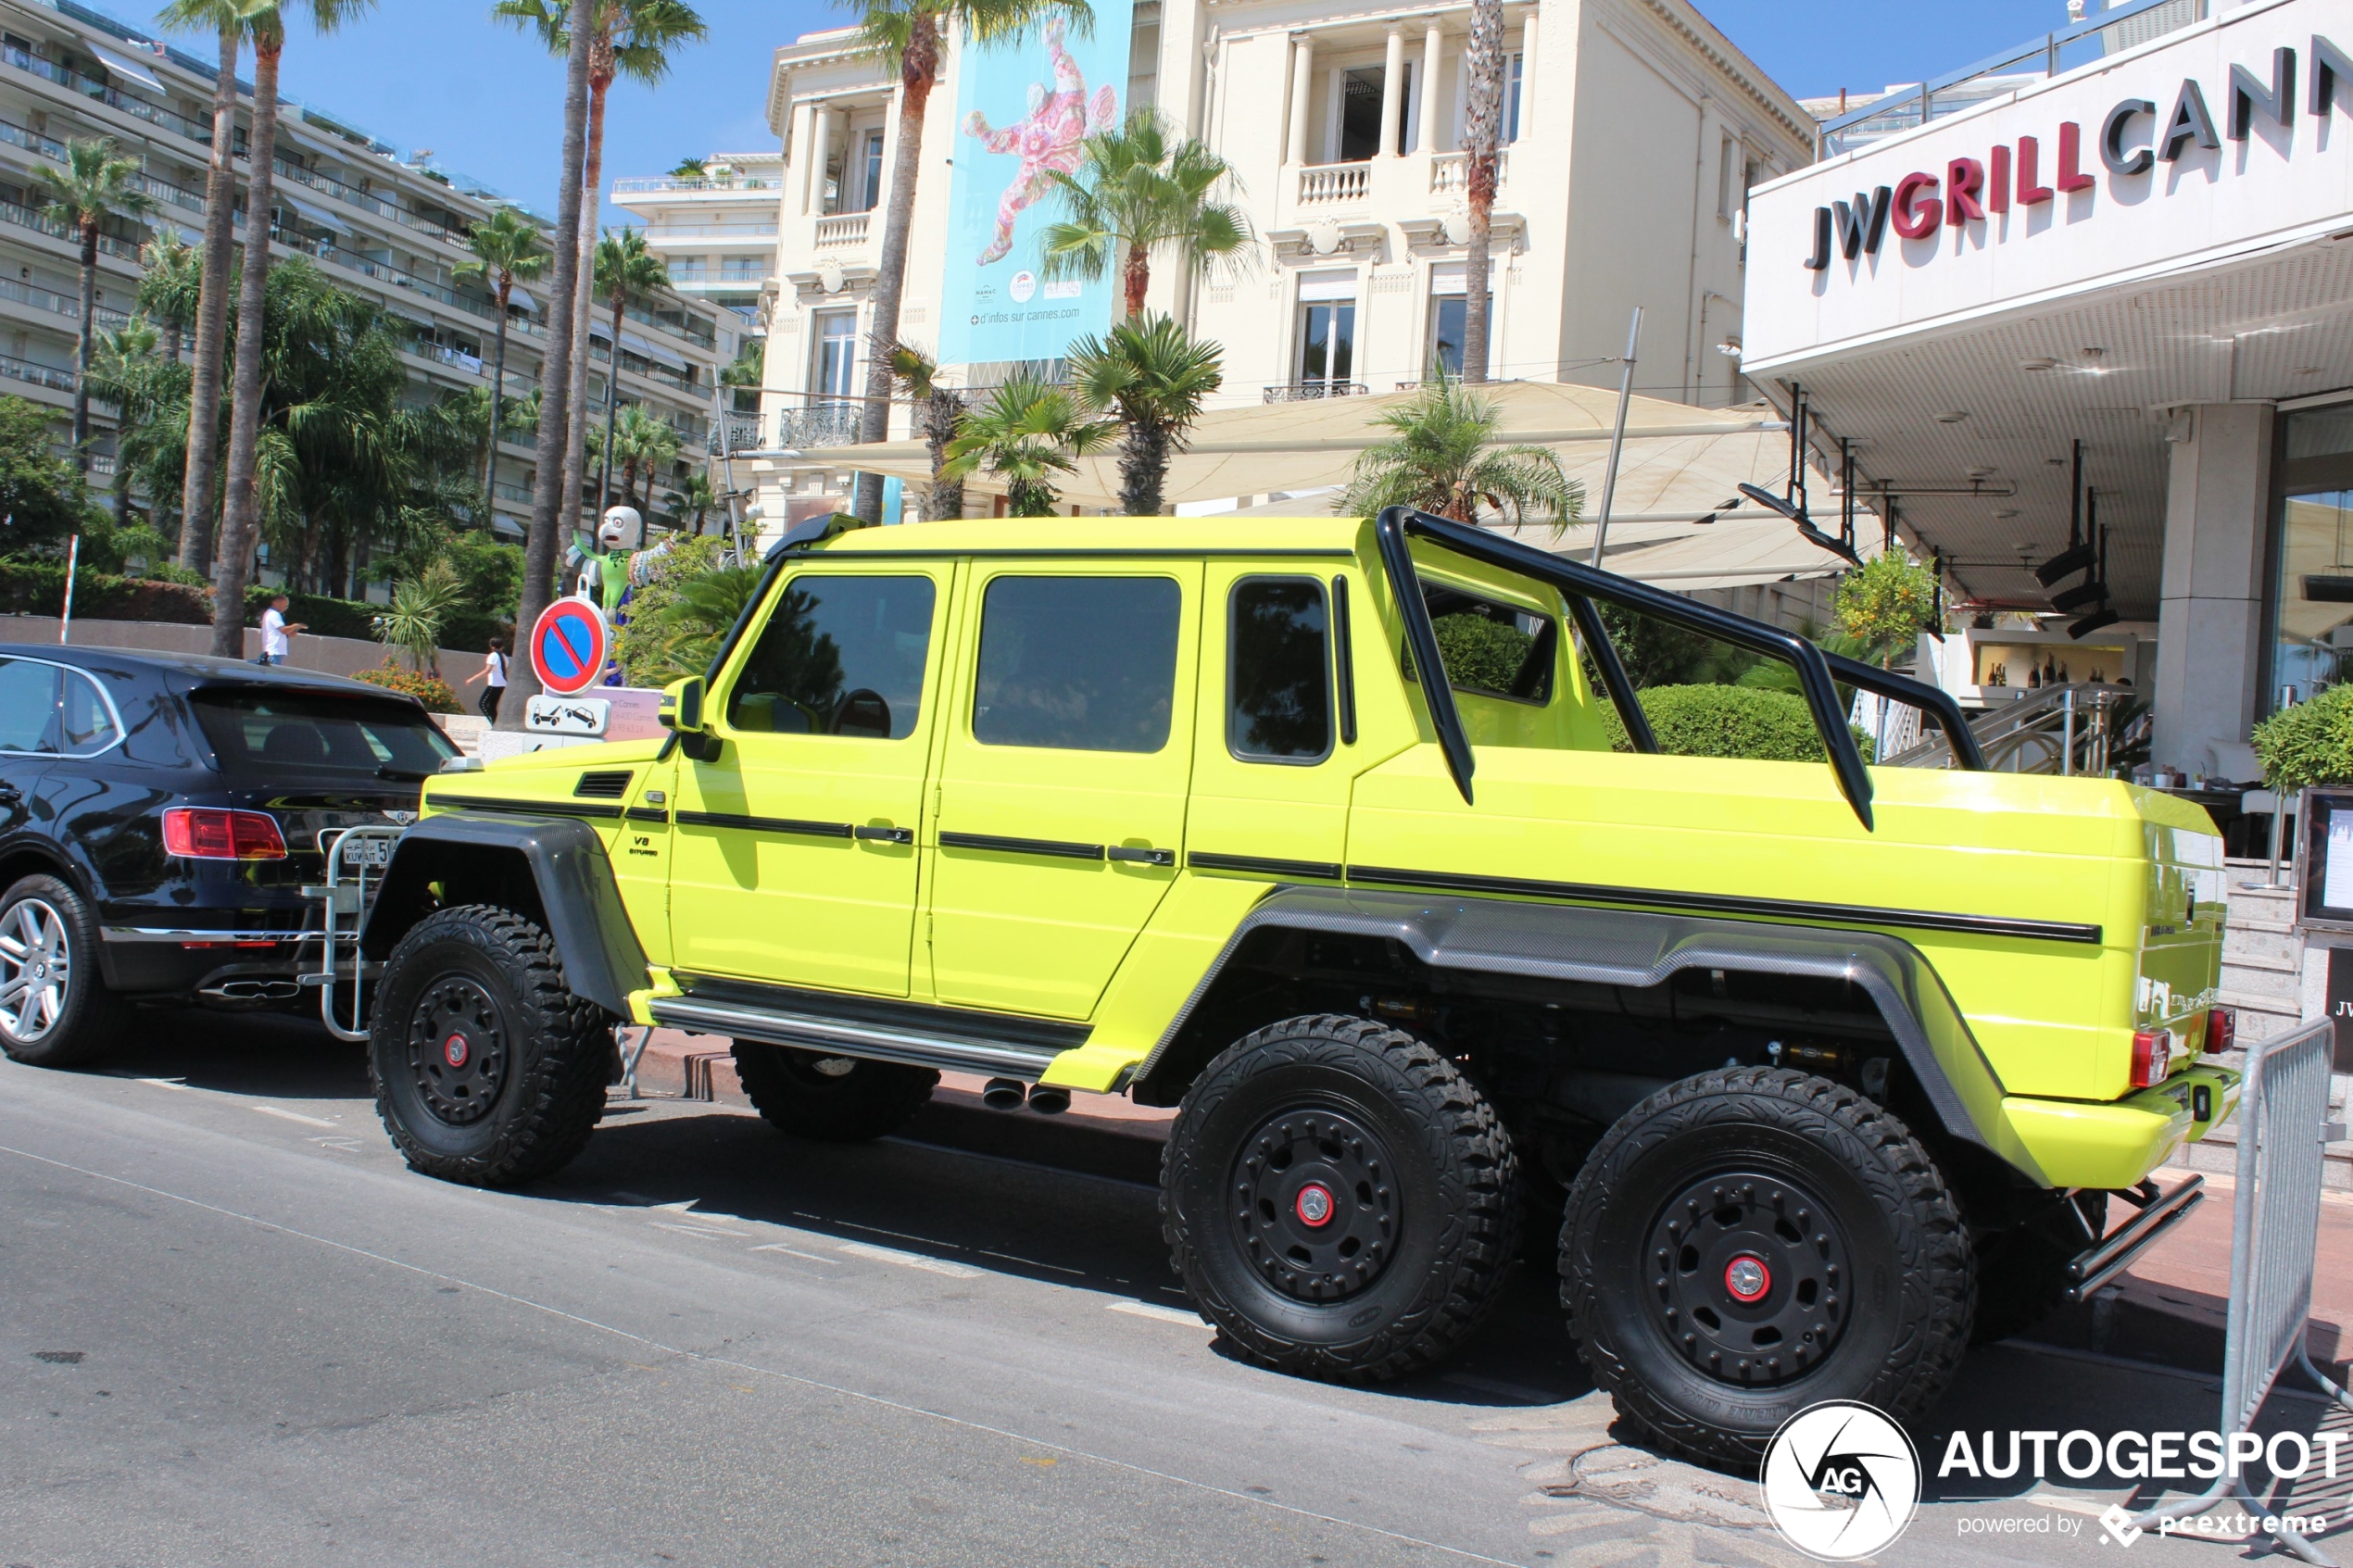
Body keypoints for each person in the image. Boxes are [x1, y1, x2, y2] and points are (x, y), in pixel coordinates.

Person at [464, 636, 510, 721]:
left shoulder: (493, 656)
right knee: (492, 705)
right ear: (502, 646)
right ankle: (496, 723)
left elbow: (487, 670)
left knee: (483, 704)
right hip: (502, 684)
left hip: (494, 684)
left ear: (492, 646)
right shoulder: (504, 657)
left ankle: (493, 722)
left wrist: (472, 679)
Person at [255, 593, 304, 666]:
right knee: (273, 675)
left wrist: (288, 635)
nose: (285, 608)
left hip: (274, 651)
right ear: (277, 602)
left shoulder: (271, 613)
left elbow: (277, 633)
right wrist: (295, 626)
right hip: (274, 652)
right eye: (285, 605)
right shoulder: (274, 614)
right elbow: (283, 630)